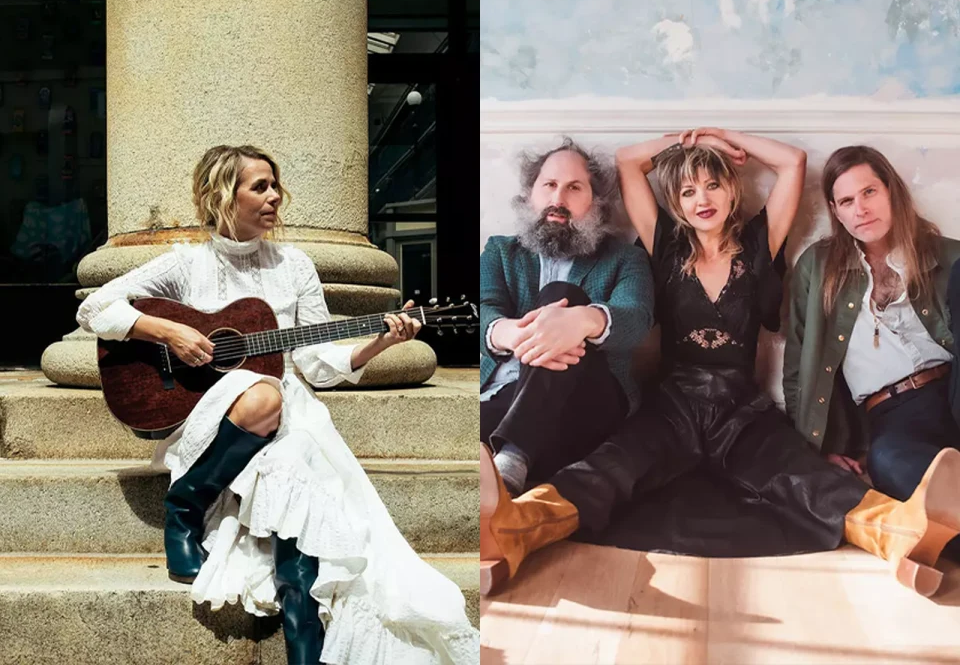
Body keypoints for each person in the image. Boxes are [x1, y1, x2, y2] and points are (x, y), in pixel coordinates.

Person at [480, 129, 960, 601]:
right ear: (676, 201)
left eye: (712, 185)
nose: (701, 199)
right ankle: (513, 531)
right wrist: (689, 143)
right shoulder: (664, 245)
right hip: (672, 405)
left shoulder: (759, 244)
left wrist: (723, 138)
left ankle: (902, 533)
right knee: (608, 470)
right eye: (687, 191)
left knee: (804, 477)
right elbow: (628, 161)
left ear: (733, 188)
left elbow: (792, 162)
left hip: (742, 409)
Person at [77, 144, 479, 665]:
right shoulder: (185, 264)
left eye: (275, 186)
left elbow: (313, 366)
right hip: (215, 412)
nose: (274, 197)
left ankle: (305, 648)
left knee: (298, 473)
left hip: (292, 414)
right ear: (221, 195)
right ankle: (185, 508)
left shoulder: (295, 265)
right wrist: (168, 330)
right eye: (259, 187)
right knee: (264, 395)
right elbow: (94, 305)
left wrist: (382, 341)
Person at [784, 145, 960, 509]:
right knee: (888, 463)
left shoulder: (947, 255)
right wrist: (819, 448)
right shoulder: (817, 268)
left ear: (891, 191)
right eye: (846, 201)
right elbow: (798, 369)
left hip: (954, 387)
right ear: (835, 211)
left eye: (869, 192)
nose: (860, 209)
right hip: (894, 416)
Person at [480, 136, 655, 497]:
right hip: (501, 396)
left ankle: (513, 455)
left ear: (596, 203)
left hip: (590, 399)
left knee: (562, 299)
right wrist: (509, 333)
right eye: (549, 185)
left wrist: (584, 321)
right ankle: (519, 463)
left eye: (574, 188)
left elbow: (637, 318)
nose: (558, 199)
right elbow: (481, 311)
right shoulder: (500, 251)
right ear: (532, 195)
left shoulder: (625, 259)